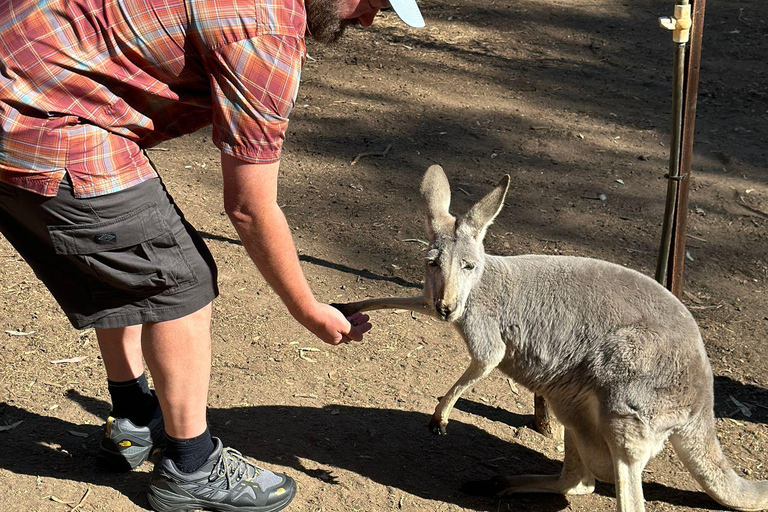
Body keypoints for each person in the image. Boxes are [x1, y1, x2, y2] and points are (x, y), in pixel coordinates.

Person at [0, 0, 424, 510]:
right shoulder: (266, 33)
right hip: (42, 121)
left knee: (134, 265)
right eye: (373, 3)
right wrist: (308, 309)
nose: (369, 20)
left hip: (24, 71)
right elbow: (248, 207)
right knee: (179, 283)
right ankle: (191, 467)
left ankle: (134, 418)